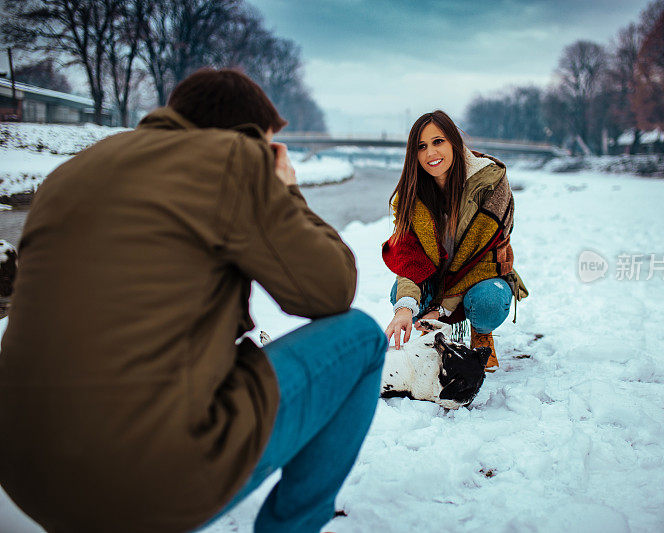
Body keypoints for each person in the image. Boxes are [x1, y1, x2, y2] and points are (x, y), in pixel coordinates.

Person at [0, 68, 387, 533]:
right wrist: (286, 190)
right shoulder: (232, 159)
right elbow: (331, 289)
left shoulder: (67, 175)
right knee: (362, 338)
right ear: (248, 135)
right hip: (141, 482)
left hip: (25, 475)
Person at [382, 110, 528, 371]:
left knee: (489, 300)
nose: (430, 154)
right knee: (399, 294)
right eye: (421, 146)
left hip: (481, 276)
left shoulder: (491, 182)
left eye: (438, 142)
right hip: (437, 281)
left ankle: (481, 333)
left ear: (454, 142)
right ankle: (435, 334)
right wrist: (403, 309)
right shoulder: (411, 195)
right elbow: (409, 257)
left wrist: (441, 309)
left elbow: (484, 259)